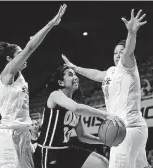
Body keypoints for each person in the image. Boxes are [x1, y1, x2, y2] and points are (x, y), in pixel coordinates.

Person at [62, 9, 150, 168]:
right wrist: (74, 67)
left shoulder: (128, 66)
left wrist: (131, 33)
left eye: (121, 52)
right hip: (134, 130)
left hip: (126, 129)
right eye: (115, 52)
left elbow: (129, 52)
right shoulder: (111, 71)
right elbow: (95, 74)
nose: (118, 55)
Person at [0, 4, 67, 168]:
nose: (23, 56)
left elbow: (30, 44)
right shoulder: (7, 73)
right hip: (9, 133)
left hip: (23, 133)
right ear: (10, 59)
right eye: (19, 53)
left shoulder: (20, 77)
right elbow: (30, 47)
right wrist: (51, 24)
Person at [34, 64, 124, 168]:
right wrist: (105, 115)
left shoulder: (75, 102)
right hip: (48, 151)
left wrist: (103, 141)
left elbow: (82, 135)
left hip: (66, 150)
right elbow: (76, 108)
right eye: (70, 74)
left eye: (75, 74)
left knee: (102, 163)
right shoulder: (55, 95)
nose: (75, 77)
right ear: (61, 82)